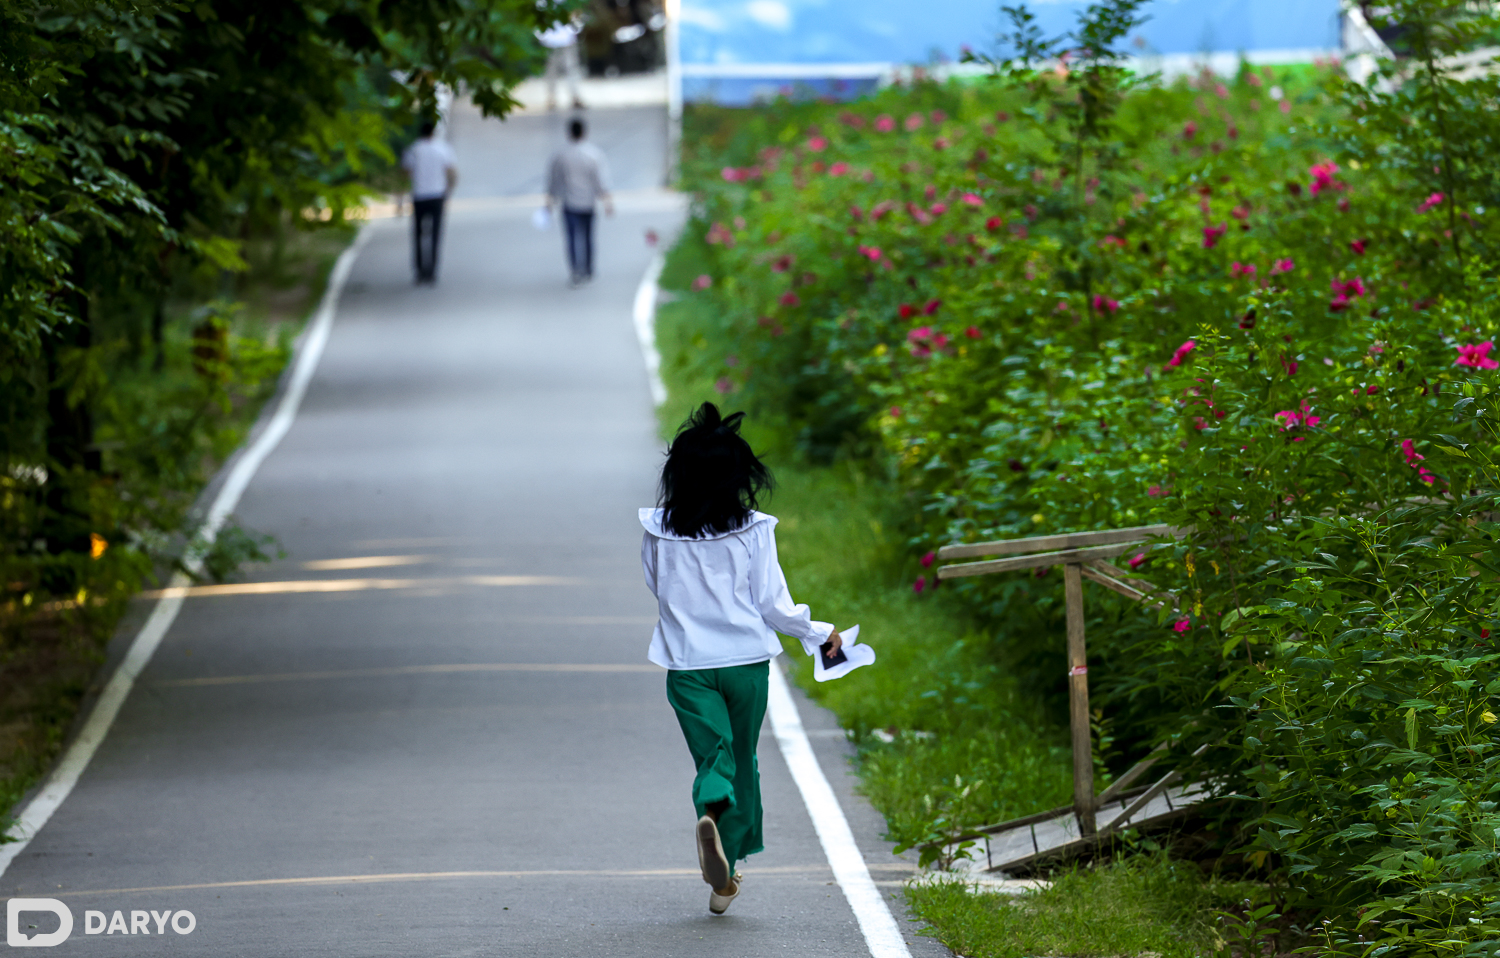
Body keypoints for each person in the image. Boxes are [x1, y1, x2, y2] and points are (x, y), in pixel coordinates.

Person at [640, 403, 845, 915]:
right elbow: (772, 604)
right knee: (745, 762)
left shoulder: (658, 531)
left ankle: (712, 812)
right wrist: (819, 633)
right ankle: (726, 870)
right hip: (745, 665)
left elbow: (656, 588)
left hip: (687, 666)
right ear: (740, 475)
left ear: (677, 474)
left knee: (715, 758)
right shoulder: (754, 530)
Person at [546, 118, 613, 286]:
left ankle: (576, 269)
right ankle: (588, 268)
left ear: (569, 133)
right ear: (584, 132)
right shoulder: (594, 154)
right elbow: (601, 181)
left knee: (571, 238)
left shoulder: (560, 155)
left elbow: (554, 182)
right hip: (588, 202)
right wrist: (607, 202)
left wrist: (549, 203)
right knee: (588, 236)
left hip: (569, 203)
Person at [401, 120, 458, 285]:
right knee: (435, 235)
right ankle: (432, 271)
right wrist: (449, 190)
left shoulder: (413, 150)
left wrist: (400, 197)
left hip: (419, 196)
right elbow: (451, 172)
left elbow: (405, 174)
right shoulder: (443, 149)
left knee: (418, 235)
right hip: (437, 196)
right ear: (433, 132)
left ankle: (419, 271)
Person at [536, 18, 585, 111]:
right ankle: (551, 98)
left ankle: (575, 97)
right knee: (551, 71)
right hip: (549, 41)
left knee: (571, 69)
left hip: (566, 40)